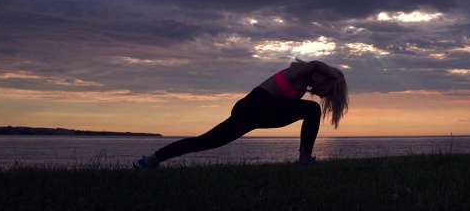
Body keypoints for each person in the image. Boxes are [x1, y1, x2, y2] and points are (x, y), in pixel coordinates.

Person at [133, 58, 348, 169]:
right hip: (255, 106)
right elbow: (316, 64)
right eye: (328, 92)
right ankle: (304, 163)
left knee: (206, 141)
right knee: (206, 141)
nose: (323, 96)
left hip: (259, 109)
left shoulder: (301, 82)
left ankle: (149, 161)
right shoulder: (303, 71)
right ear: (326, 79)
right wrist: (338, 77)